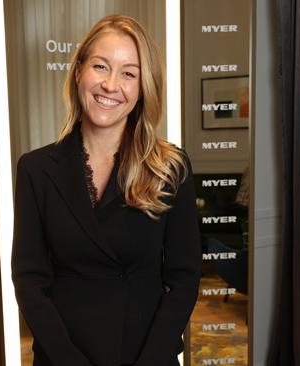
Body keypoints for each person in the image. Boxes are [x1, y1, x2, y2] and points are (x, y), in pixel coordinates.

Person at [12, 15, 201, 366]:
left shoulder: (170, 167)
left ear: (144, 87)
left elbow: (185, 279)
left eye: (128, 73)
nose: (111, 85)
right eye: (101, 66)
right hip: (63, 355)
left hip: (146, 355)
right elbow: (30, 281)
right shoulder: (35, 169)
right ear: (78, 70)